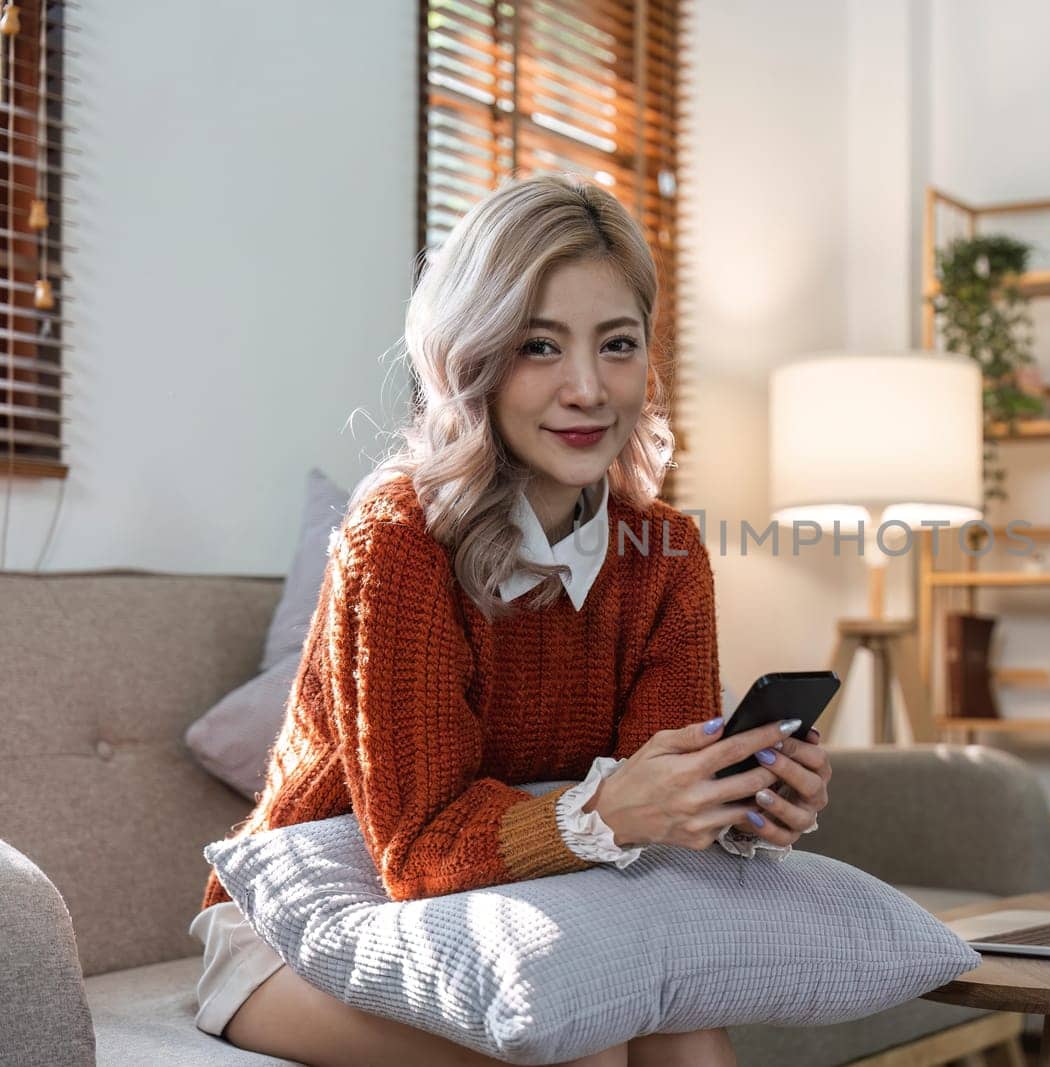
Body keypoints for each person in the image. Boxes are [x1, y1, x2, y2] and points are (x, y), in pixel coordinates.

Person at [188, 173, 832, 1066]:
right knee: (588, 1042)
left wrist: (742, 805)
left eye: (617, 345)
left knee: (685, 1032)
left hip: (530, 900)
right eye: (539, 346)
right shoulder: (400, 541)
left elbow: (660, 790)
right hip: (325, 913)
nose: (586, 388)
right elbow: (414, 851)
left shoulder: (668, 551)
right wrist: (609, 807)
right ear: (473, 358)